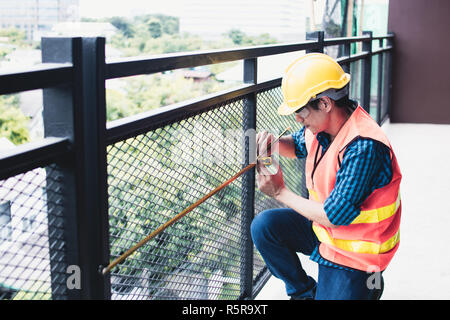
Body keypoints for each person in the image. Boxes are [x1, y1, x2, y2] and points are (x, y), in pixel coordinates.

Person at [251, 53, 402, 300]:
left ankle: (369, 285)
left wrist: (280, 192)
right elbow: (299, 145)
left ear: (324, 103)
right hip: (326, 232)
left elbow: (334, 215)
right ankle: (304, 294)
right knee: (264, 227)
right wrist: (273, 144)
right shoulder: (322, 127)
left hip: (359, 253)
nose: (298, 119)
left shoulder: (364, 146)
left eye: (301, 112)